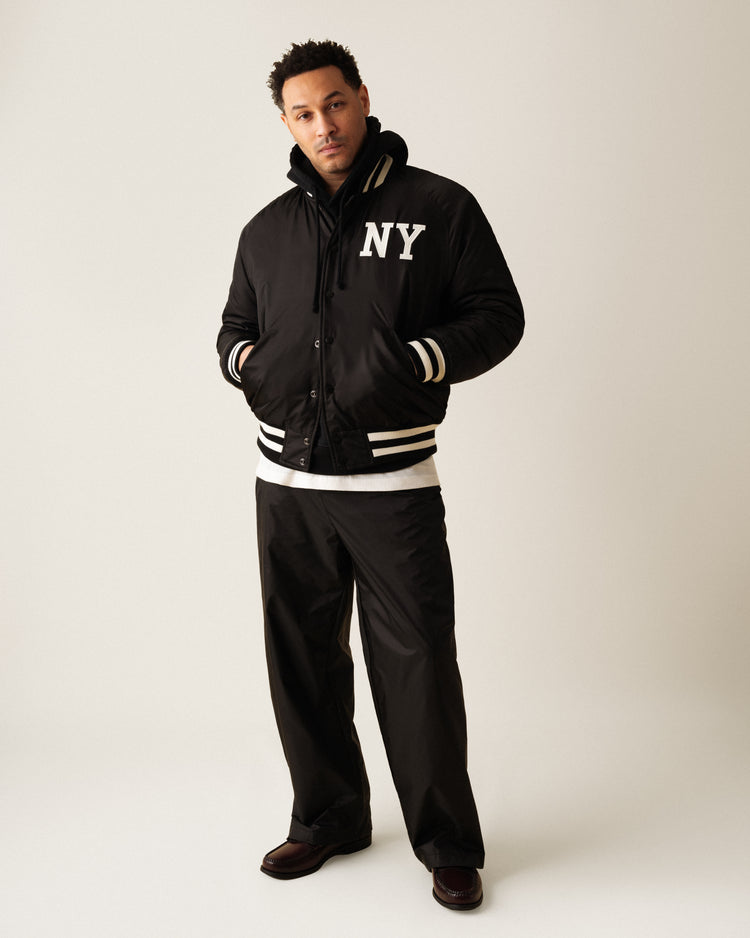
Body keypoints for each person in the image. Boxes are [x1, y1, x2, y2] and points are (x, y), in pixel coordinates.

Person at [216, 39, 523, 911]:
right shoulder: (266, 231)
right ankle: (327, 817)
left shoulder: (439, 208)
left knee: (418, 669)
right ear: (287, 123)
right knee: (302, 664)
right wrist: (250, 365)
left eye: (335, 104)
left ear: (361, 98)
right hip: (288, 487)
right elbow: (233, 329)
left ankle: (448, 844)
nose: (324, 125)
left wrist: (417, 359)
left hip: (394, 488)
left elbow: (498, 316)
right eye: (304, 113)